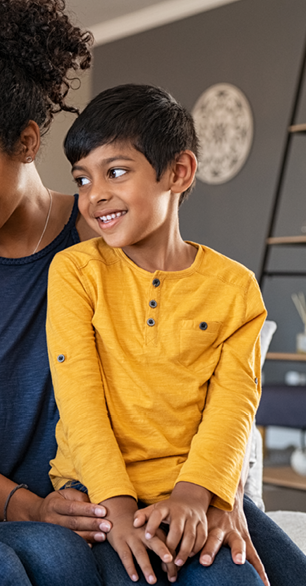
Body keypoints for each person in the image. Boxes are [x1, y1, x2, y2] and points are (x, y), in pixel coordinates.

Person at [0, 0, 289, 586]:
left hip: (119, 495)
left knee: (269, 566)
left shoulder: (105, 229)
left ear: (26, 141)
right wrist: (31, 506)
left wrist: (220, 496)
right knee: (60, 556)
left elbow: (201, 381)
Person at [47, 83, 275, 585]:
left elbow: (234, 404)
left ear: (179, 172)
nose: (94, 195)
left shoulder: (235, 288)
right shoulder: (75, 272)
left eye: (117, 172)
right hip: (102, 494)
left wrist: (200, 496)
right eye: (82, 179)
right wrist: (119, 508)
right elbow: (79, 399)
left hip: (193, 490)